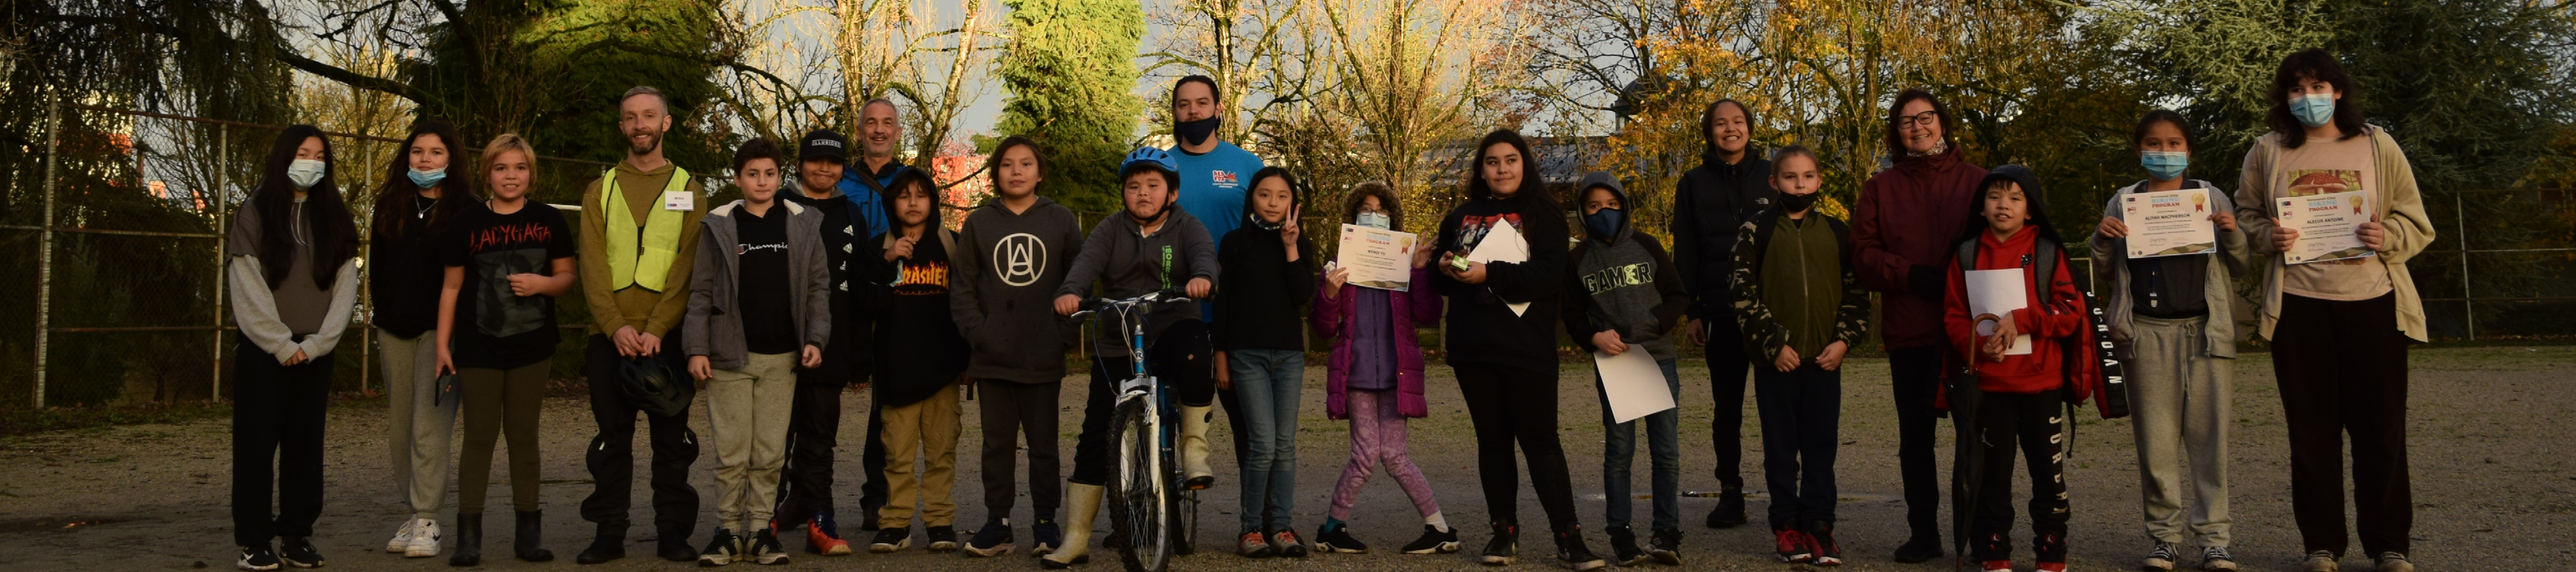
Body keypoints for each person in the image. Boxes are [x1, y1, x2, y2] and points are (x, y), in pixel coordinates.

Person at [2233, 48, 2434, 572]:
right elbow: (2246, 216)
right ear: (2285, 97)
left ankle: (2389, 543)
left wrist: (2386, 233)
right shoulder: (2267, 151)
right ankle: (2321, 544)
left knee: (2382, 429)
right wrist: (2267, 234)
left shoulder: (2377, 145)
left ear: (2338, 91)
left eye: (2318, 87)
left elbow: (2416, 221)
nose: (2308, 98)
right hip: (2299, 308)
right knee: (2311, 432)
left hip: (2373, 305)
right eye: (2297, 89)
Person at [1432, 129, 1602, 570]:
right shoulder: (1460, 216)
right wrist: (1439, 268)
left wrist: (1489, 273)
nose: (1502, 168)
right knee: (1492, 443)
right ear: (1480, 169)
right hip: (1473, 347)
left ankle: (1569, 538)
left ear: (1524, 163)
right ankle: (1503, 532)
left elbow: (1549, 278)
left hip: (1527, 347)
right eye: (1492, 161)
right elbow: (1441, 279)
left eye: (1510, 159)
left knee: (1542, 443)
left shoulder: (1544, 212)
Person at [1042, 148, 1220, 569]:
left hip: (1173, 324)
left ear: (1171, 193)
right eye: (1134, 186)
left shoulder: (1187, 226)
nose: (1142, 193)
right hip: (1120, 334)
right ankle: (1077, 536)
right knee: (1094, 435)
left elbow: (1205, 259)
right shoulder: (1110, 229)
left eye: (1153, 186)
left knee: (1197, 353)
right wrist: (1070, 292)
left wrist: (1201, 279)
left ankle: (1194, 448)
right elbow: (1084, 266)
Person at [2092, 111, 2248, 572]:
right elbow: (2104, 273)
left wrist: (2232, 232)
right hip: (2146, 333)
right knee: (2156, 444)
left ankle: (2215, 539)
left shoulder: (2210, 195)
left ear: (2189, 149)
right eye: (2154, 144)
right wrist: (2102, 240)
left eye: (2173, 142)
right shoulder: (2123, 201)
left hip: (2205, 332)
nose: (2164, 152)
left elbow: (2241, 265)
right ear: (2140, 150)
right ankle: (2163, 538)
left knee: (2209, 440)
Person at [1851, 88, 1987, 562]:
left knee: (1978, 435)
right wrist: (1909, 274)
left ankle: (1983, 532)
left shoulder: (1980, 182)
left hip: (1973, 331)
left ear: (1942, 122)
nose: (1918, 127)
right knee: (1916, 441)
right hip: (1911, 328)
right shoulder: (1879, 189)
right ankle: (1924, 532)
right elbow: (1863, 255)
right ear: (1896, 132)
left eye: (1925, 117)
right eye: (1906, 121)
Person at [1940, 165, 2099, 572]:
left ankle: (2051, 544)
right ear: (1981, 207)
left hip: (2041, 383)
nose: (2003, 205)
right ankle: (1994, 547)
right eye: (1995, 197)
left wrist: (2023, 319)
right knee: (1993, 474)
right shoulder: (1967, 253)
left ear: (2030, 209)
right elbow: (1955, 315)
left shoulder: (2048, 252)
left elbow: (2070, 311)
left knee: (2048, 472)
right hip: (1989, 386)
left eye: (2014, 197)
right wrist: (1976, 346)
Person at [683, 137, 833, 567]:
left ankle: (761, 532)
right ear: (737, 179)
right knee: (731, 452)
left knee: (768, 452)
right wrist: (696, 347)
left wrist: (815, 339)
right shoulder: (720, 225)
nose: (762, 181)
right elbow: (701, 291)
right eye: (753, 174)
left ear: (780, 177)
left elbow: (818, 289)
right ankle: (728, 532)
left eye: (769, 174)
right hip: (729, 356)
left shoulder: (802, 225)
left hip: (782, 358)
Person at [575, 85, 708, 564]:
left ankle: (672, 533)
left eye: (649, 116)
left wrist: (657, 327)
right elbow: (591, 264)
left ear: (666, 123)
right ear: (622, 127)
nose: (640, 125)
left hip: (666, 339)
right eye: (630, 117)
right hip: (609, 337)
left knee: (672, 444)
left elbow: (688, 267)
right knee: (612, 442)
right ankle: (609, 533)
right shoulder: (600, 189)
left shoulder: (690, 190)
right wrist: (614, 327)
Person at [433, 133, 576, 567]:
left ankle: (528, 536)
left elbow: (567, 278)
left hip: (533, 346)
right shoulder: (466, 224)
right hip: (478, 346)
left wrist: (541, 285)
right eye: (501, 168)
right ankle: (469, 536)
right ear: (487, 174)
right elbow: (452, 287)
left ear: (531, 173)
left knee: (522, 434)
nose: (510, 176)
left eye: (519, 168)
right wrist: (443, 344)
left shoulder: (550, 221)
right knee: (478, 436)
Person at [1726, 146, 1868, 567]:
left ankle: (1821, 526)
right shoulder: (1755, 230)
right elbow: (1742, 294)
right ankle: (1787, 525)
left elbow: (1857, 296)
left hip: (1825, 360)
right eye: (1790, 177)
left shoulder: (1839, 232)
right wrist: (1774, 345)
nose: (1799, 184)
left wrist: (1843, 342)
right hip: (1779, 363)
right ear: (1774, 183)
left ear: (1819, 181)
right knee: (1782, 450)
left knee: (1821, 448)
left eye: (1808, 176)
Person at [227, 125, 361, 571]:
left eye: (320, 156)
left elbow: (345, 287)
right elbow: (248, 285)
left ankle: (297, 535)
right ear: (285, 155)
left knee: (306, 448)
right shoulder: (253, 212)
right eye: (304, 153)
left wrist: (319, 343)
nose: (312, 162)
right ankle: (254, 540)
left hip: (315, 353)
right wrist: (280, 344)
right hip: (265, 353)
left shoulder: (336, 218)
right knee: (256, 446)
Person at [1309, 181, 1458, 557]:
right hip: (1356, 377)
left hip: (1397, 376)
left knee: (1394, 456)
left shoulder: (1405, 268)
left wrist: (1421, 272)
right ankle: (1332, 528)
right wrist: (1328, 293)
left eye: (1382, 210)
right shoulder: (1339, 267)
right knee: (1364, 456)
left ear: (1393, 219)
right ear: (1352, 218)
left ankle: (1438, 528)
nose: (1374, 216)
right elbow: (1323, 329)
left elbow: (1428, 316)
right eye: (1366, 209)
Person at [953, 137, 1083, 558]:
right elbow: (963, 289)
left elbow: (1078, 282)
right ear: (996, 173)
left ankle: (1046, 523)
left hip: (1043, 355)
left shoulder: (1061, 220)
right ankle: (998, 523)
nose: (1016, 171)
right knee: (997, 444)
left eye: (1026, 164)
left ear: (1039, 173)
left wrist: (1062, 337)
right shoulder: (979, 223)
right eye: (1007, 164)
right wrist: (982, 334)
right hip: (993, 358)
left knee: (1044, 444)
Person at [1560, 171, 1692, 567]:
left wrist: (1651, 324)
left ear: (1624, 205)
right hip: (1614, 365)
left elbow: (1678, 296)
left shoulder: (1647, 245)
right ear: (1583, 213)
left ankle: (1666, 531)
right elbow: (1571, 314)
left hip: (1658, 359)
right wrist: (1594, 338)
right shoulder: (1578, 259)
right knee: (1620, 452)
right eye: (1594, 206)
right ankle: (1621, 532)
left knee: (1666, 450)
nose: (1605, 212)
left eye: (1612, 205)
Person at [368, 120, 476, 560]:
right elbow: (377, 268)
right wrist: (383, 314)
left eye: (435, 152)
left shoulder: (466, 211)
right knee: (400, 430)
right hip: (394, 330)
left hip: (441, 334)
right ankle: (413, 513)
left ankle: (429, 517)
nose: (425, 159)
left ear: (451, 159)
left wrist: (454, 336)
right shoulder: (389, 205)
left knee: (429, 428)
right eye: (417, 152)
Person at [1667, 100, 1774, 529]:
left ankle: (1786, 490)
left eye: (1738, 122)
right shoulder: (1692, 183)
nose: (1730, 129)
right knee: (1727, 408)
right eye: (1720, 123)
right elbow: (1686, 250)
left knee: (1777, 406)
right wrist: (1691, 309)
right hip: (1720, 310)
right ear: (1709, 132)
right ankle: (1731, 492)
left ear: (1749, 127)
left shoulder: (1773, 174)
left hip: (1771, 313)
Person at [859, 168, 974, 553]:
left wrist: (968, 360)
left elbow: (965, 307)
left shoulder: (951, 245)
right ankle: (895, 523)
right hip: (897, 370)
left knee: (942, 451)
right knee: (897, 455)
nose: (912, 202)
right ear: (892, 202)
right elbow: (865, 304)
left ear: (933, 202)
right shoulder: (878, 247)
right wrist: (888, 261)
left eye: (921, 195)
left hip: (942, 369)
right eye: (904, 195)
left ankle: (940, 522)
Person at [1212, 167, 1318, 558]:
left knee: (1285, 446)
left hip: (1289, 356)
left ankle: (1282, 527)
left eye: (1282, 196)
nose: (1273, 203)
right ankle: (1250, 529)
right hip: (1246, 356)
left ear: (1293, 202)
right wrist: (1220, 356)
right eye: (1264, 195)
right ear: (1251, 199)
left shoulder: (1300, 244)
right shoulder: (1234, 243)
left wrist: (1291, 248)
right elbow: (1221, 306)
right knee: (1261, 446)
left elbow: (1301, 295)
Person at [772, 128, 862, 556]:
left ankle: (819, 515)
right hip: (778, 341)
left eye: (833, 162)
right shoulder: (777, 207)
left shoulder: (852, 214)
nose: (824, 169)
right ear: (800, 163)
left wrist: (857, 350)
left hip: (833, 344)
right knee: (775, 433)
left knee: (819, 433)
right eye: (815, 161)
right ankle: (769, 513)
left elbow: (860, 283)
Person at [843, 97, 904, 531]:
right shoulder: (835, 177)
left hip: (888, 302)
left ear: (898, 132)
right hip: (838, 301)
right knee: (811, 400)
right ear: (859, 130)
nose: (879, 130)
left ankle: (875, 496)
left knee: (884, 406)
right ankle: (797, 493)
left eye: (887, 123)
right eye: (871, 123)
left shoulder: (911, 182)